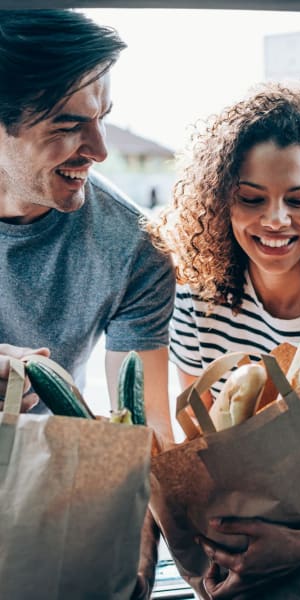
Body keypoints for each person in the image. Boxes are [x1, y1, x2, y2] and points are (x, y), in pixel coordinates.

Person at [150, 81, 300, 597]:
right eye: (251, 198)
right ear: (222, 202)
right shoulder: (197, 306)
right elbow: (201, 457)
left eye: (299, 199)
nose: (275, 219)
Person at [0, 9, 175, 599]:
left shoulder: (135, 250)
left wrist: (135, 558)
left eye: (103, 119)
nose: (98, 149)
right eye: (68, 125)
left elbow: (143, 434)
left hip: (33, 505)